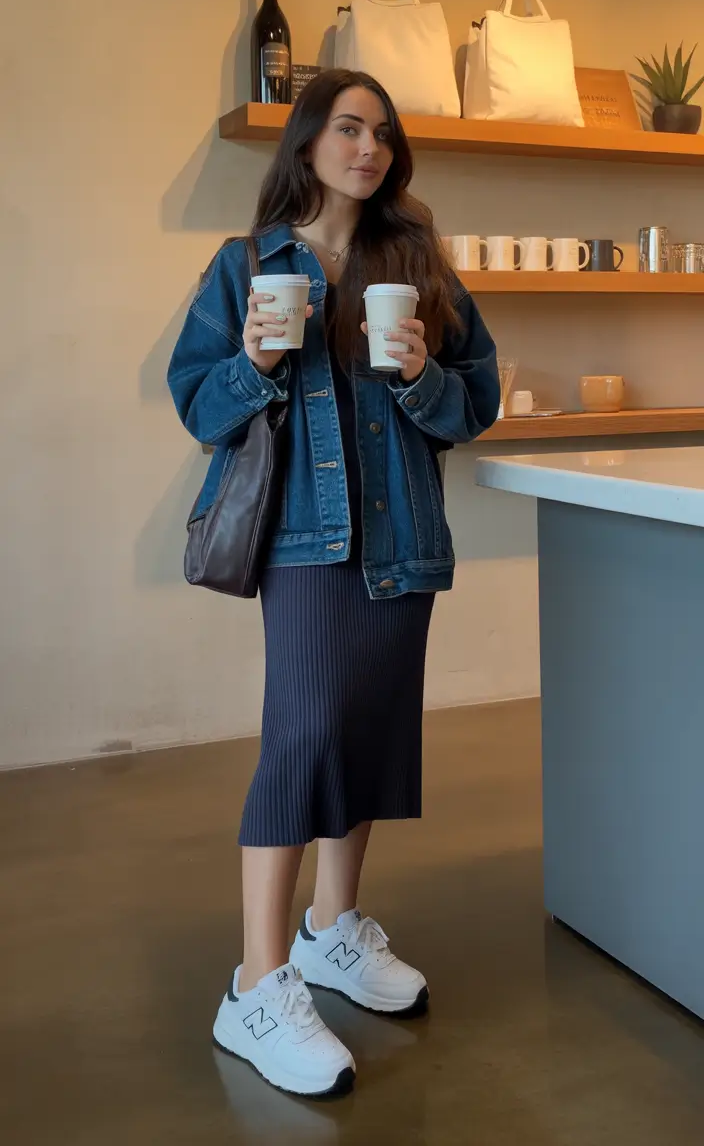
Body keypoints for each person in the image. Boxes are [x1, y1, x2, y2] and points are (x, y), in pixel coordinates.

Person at [168, 68, 500, 1099]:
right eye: (348, 128)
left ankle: (330, 931)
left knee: (365, 731)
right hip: (303, 543)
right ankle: (255, 985)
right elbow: (197, 400)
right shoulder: (247, 264)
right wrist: (257, 361)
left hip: (404, 538)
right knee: (302, 737)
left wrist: (420, 378)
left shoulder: (415, 262)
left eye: (382, 134)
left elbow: (474, 398)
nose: (369, 147)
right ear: (306, 142)